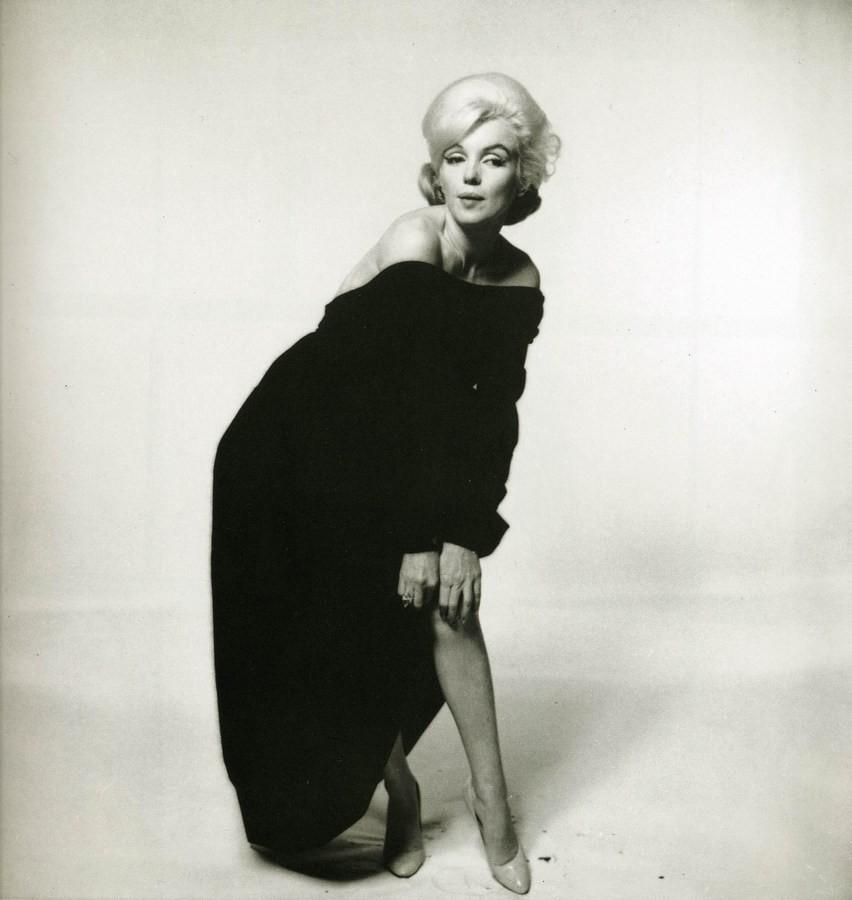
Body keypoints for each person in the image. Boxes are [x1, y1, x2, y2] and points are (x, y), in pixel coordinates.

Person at [211, 72, 559, 895]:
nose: (471, 175)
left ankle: (492, 804)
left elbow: (489, 415)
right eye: (454, 157)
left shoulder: (520, 278)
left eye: (493, 158)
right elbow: (397, 399)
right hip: (294, 450)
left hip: (388, 449)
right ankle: (401, 794)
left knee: (449, 604)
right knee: (359, 616)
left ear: (521, 178)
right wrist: (417, 536)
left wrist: (463, 534)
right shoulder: (414, 241)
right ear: (434, 172)